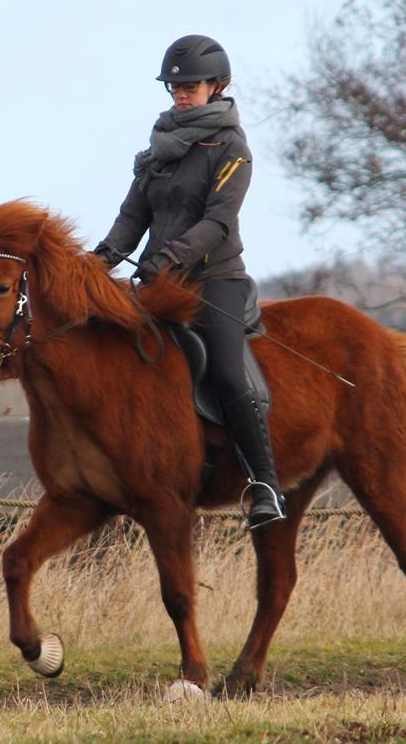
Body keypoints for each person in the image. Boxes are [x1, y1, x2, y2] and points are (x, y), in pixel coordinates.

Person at [92, 34, 287, 529]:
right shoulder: (160, 147)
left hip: (214, 281)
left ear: (216, 86)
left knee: (224, 372)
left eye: (191, 85)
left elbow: (218, 222)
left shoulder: (231, 149)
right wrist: (98, 262)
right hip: (162, 284)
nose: (180, 92)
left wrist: (169, 257)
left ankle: (264, 484)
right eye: (174, 86)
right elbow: (131, 217)